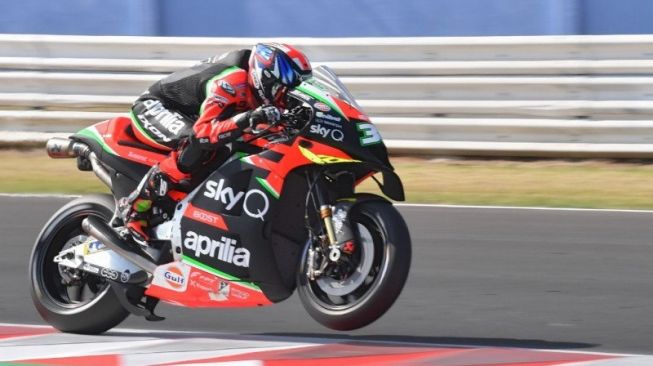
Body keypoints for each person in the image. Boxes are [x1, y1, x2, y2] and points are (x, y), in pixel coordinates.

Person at [120, 43, 313, 241]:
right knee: (197, 144)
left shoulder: (257, 88)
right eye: (283, 90)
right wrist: (248, 119)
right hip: (156, 106)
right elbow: (202, 133)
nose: (285, 98)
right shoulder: (232, 81)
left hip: (196, 113)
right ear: (266, 77)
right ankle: (137, 207)